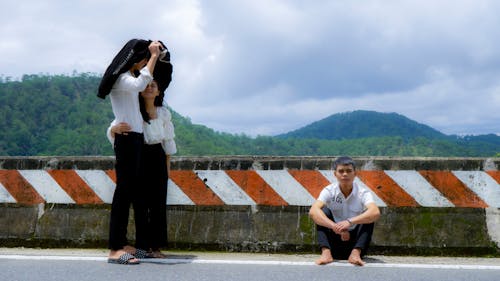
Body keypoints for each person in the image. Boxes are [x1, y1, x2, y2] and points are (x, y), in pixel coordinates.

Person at [101, 39, 162, 265]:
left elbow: (142, 83)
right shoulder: (121, 79)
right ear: (136, 59)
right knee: (123, 193)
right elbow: (139, 85)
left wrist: (157, 55)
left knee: (133, 192)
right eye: (144, 59)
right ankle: (115, 248)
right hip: (126, 140)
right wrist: (153, 56)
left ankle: (125, 243)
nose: (146, 62)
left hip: (134, 139)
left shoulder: (129, 78)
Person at [107, 79, 176, 259]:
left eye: (154, 85)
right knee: (140, 203)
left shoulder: (163, 113)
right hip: (138, 155)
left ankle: (156, 246)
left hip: (158, 157)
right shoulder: (133, 112)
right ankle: (143, 247)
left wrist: (166, 170)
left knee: (158, 203)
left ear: (159, 92)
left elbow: (168, 141)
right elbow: (114, 127)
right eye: (146, 84)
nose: (149, 87)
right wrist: (113, 129)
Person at [309, 156, 380, 266]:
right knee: (323, 211)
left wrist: (349, 222)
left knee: (368, 216)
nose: (345, 174)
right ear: (335, 174)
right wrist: (335, 227)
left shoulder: (363, 192)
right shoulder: (329, 190)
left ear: (354, 173)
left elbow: (375, 212)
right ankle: (326, 253)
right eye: (341, 171)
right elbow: (313, 211)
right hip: (334, 241)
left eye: (348, 171)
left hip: (355, 243)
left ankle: (355, 254)